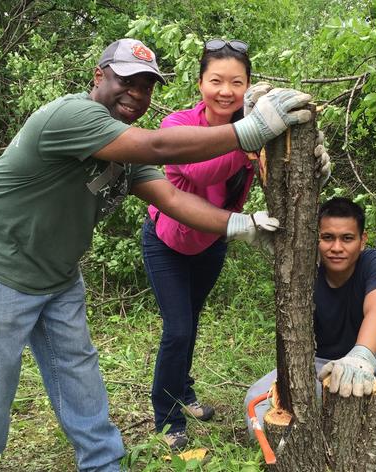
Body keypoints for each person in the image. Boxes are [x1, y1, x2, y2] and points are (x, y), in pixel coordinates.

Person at [0, 37, 313, 472]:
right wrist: (245, 132)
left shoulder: (123, 148)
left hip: (56, 272)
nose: (137, 94)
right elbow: (159, 147)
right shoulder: (74, 115)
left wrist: (242, 226)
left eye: (146, 86)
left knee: (77, 372)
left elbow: (171, 198)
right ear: (99, 76)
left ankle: (102, 463)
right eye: (126, 81)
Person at [141, 39, 332, 450]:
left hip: (213, 241)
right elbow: (199, 171)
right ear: (200, 84)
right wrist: (250, 136)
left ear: (247, 85)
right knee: (177, 330)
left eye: (236, 82)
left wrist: (311, 157)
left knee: (191, 322)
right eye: (216, 81)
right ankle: (167, 416)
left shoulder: (256, 126)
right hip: (167, 243)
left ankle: (184, 391)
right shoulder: (177, 126)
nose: (226, 91)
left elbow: (285, 175)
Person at [244, 197, 376, 466]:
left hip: (375, 361)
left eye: (347, 238)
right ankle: (307, 446)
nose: (336, 247)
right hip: (316, 369)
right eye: (327, 237)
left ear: (362, 240)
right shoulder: (301, 270)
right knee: (256, 399)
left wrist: (362, 356)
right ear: (316, 239)